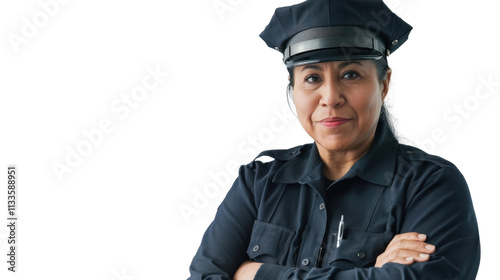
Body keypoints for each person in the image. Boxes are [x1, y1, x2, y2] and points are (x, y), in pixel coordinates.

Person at [188, 0, 481, 279]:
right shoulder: (259, 183)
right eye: (312, 78)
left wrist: (256, 273)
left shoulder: (432, 187)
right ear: (293, 89)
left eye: (351, 74)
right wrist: (373, 274)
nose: (330, 98)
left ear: (384, 83)